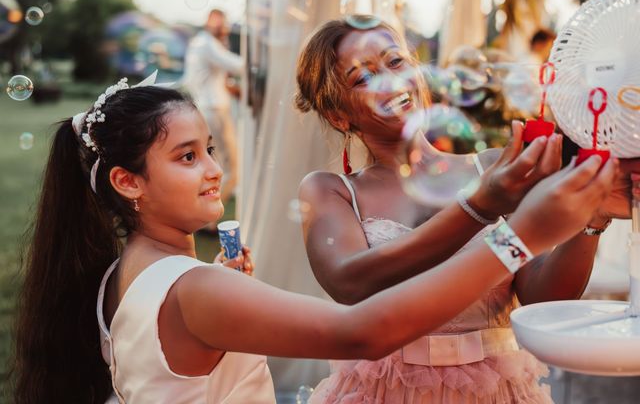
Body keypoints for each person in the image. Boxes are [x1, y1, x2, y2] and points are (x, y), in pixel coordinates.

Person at [10, 78, 615, 403]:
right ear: (127, 181)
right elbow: (361, 332)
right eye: (186, 157)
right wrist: (519, 236)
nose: (214, 169)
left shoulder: (124, 274)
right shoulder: (195, 288)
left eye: (210, 150)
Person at [294, 19, 636, 403]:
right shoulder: (332, 190)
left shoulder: (491, 168)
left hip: (496, 390)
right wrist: (479, 206)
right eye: (362, 78)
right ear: (339, 116)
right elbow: (351, 282)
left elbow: (542, 297)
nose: (390, 81)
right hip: (384, 391)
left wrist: (591, 217)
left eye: (395, 61)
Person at [183, 9, 242, 204]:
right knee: (231, 167)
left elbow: (212, 78)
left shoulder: (201, 43)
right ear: (209, 22)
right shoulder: (207, 43)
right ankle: (209, 220)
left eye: (224, 23)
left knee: (214, 164)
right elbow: (238, 65)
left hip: (206, 108)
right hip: (215, 111)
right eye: (220, 23)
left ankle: (204, 211)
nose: (223, 27)